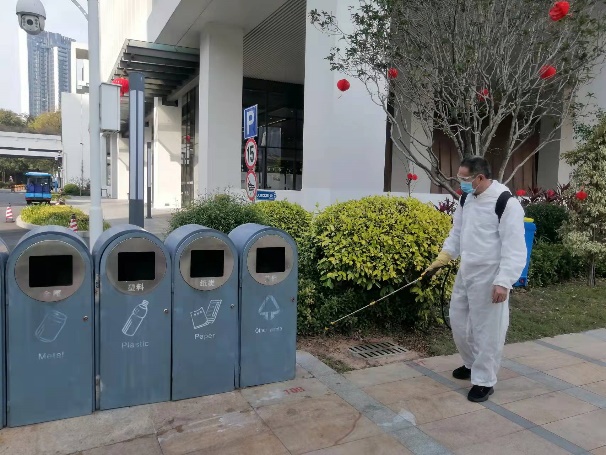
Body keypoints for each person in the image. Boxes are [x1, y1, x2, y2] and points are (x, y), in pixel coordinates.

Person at [424, 156, 527, 402]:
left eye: (464, 178)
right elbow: (457, 232)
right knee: (458, 321)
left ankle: (484, 381)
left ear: (480, 177)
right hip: (467, 271)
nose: (460, 183)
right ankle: (471, 364)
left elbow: (514, 247)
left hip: (491, 276)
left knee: (487, 330)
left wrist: (504, 282)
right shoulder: (466, 199)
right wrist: (443, 257)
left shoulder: (506, 203)